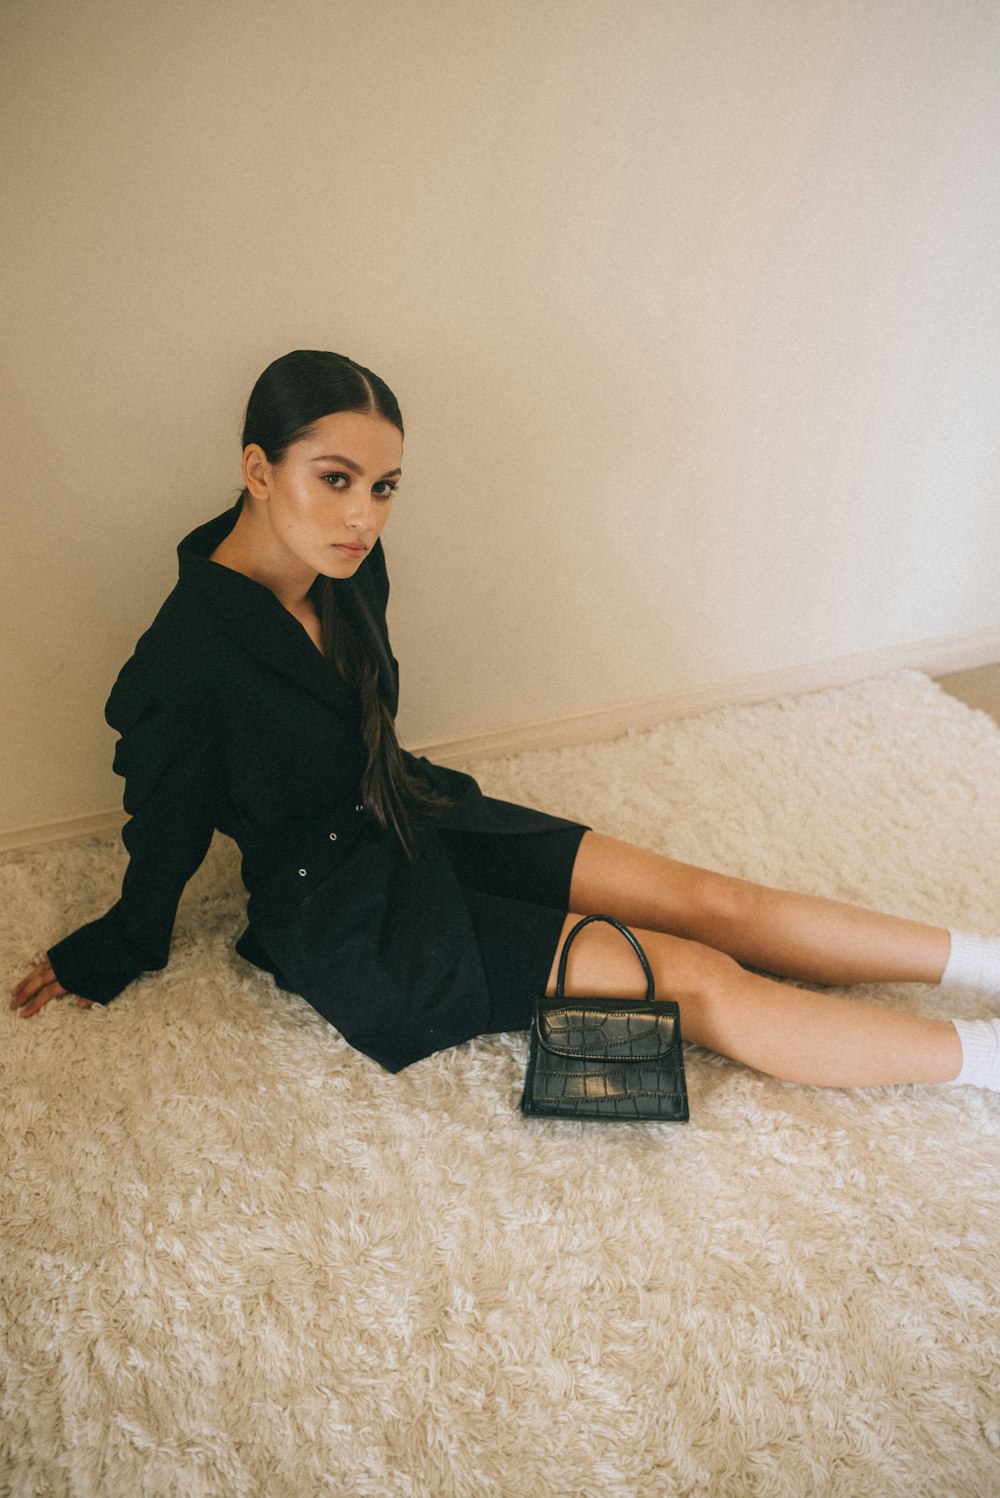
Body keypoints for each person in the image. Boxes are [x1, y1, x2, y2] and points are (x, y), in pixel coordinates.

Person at [10, 349, 1000, 1093]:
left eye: (383, 486)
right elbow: (167, 831)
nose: (363, 516)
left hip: (419, 813)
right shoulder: (184, 663)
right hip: (352, 915)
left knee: (715, 903)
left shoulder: (343, 566)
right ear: (259, 469)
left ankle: (982, 959)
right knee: (694, 979)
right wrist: (116, 944)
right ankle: (982, 1060)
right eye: (336, 478)